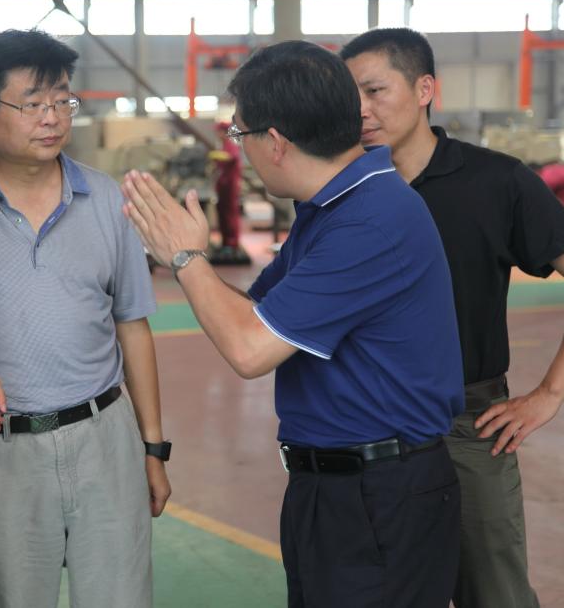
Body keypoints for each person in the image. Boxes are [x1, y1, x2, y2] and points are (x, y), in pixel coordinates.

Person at [122, 40, 464, 608]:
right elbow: (256, 314)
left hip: (380, 495)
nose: (240, 147)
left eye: (240, 134)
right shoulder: (331, 208)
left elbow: (250, 348)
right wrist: (195, 263)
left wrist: (186, 258)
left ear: (276, 142)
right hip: (334, 487)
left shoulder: (370, 219)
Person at [0, 29, 170, 608]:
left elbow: (132, 326)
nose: (52, 118)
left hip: (104, 441)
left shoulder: (107, 201)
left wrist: (152, 449)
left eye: (62, 100)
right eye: (32, 103)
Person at [342, 28, 564, 608]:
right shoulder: (341, 189)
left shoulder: (497, 182)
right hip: (363, 427)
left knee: (494, 594)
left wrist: (549, 394)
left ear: (424, 89)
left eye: (374, 90)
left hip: (467, 426)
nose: (359, 110)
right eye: (349, 95)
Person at [208, 121, 251, 265]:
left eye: (218, 131)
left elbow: (232, 157)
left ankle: (232, 243)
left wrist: (217, 155)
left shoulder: (230, 145)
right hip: (223, 186)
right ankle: (226, 242)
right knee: (223, 214)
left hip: (230, 187)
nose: (217, 134)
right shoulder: (222, 145)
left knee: (230, 214)